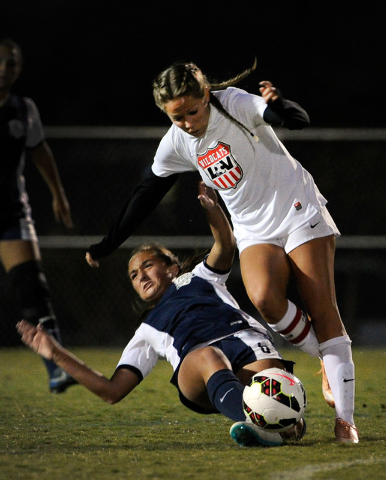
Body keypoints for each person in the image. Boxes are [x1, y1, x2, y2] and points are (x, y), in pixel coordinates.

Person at [85, 61, 358, 443]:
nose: (187, 123)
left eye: (192, 112)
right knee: (264, 299)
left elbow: (297, 120)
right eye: (176, 117)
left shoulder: (234, 104)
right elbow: (146, 193)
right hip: (252, 227)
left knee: (322, 309)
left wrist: (280, 106)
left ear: (205, 95)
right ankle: (328, 360)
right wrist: (108, 244)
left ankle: (345, 420)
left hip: (296, 205)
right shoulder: (177, 140)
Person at [19, 183, 306, 448]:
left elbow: (226, 244)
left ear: (171, 267)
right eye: (133, 275)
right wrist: (55, 353)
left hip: (247, 342)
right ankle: (259, 426)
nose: (140, 275)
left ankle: (285, 425)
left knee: (275, 389)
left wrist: (212, 207)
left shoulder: (201, 277)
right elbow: (112, 390)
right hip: (198, 366)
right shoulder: (146, 329)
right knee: (209, 356)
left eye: (147, 265)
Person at [0, 38, 76, 393]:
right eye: (0, 61)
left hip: (11, 212)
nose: (4, 69)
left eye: (11, 63)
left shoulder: (22, 107)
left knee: (33, 290)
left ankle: (57, 369)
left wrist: (58, 194)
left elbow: (40, 151)